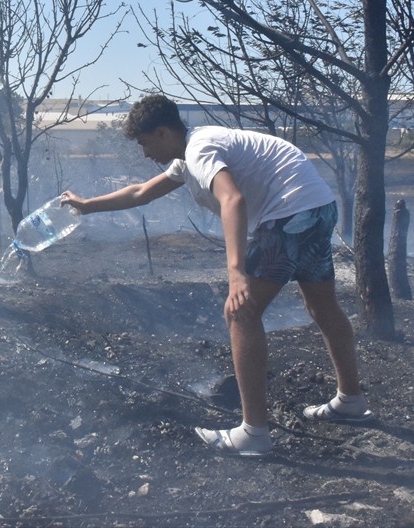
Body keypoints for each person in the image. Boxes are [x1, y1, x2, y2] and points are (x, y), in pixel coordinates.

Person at [61, 94, 372, 457]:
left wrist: (236, 273)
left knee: (240, 312)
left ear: (162, 133)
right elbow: (142, 193)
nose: (145, 154)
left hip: (289, 214)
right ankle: (351, 399)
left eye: (145, 143)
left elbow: (232, 200)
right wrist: (87, 206)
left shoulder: (199, 149)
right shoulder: (190, 154)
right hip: (317, 208)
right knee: (322, 306)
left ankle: (253, 433)